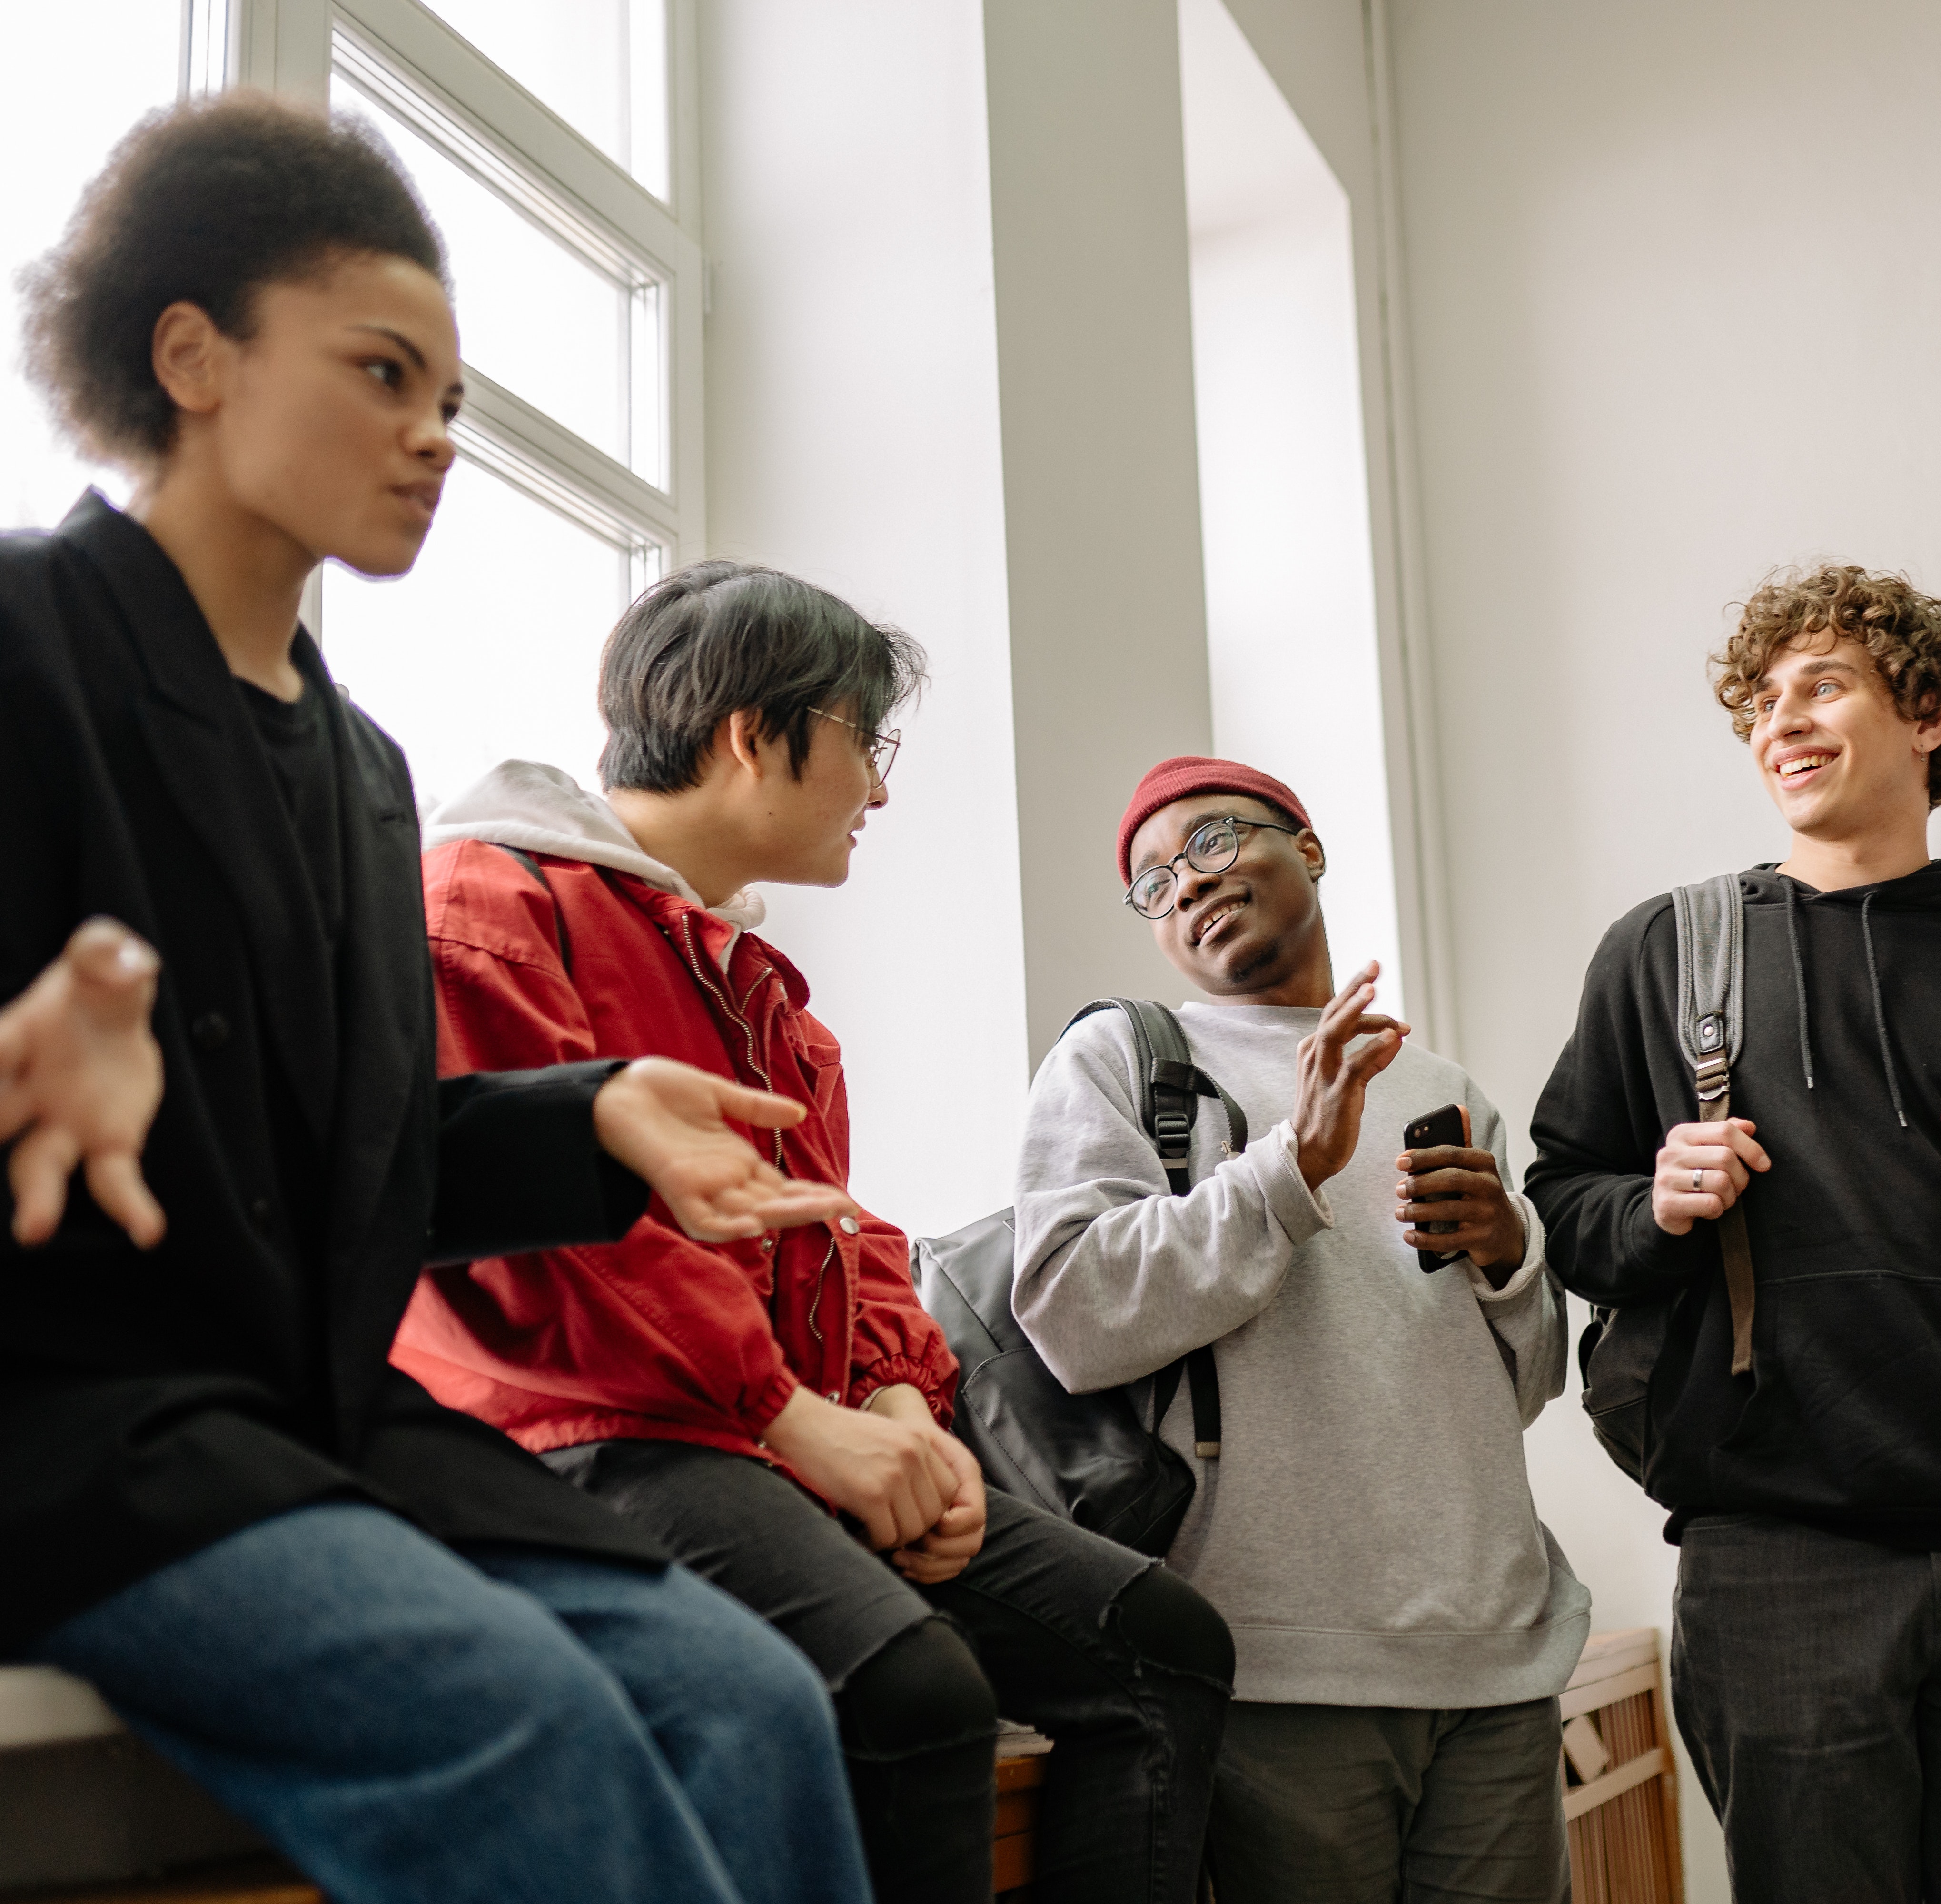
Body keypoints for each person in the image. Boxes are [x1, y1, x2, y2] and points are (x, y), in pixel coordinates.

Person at [0, 94, 877, 1904]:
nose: (433, 439)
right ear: (193, 356)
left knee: (757, 1706)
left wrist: (594, 1114)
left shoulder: (364, 770)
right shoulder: (25, 644)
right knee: (533, 1726)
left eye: (453, 403)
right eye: (385, 375)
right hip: (69, 1425)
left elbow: (366, 1164)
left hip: (315, 1431)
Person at [391, 564, 1234, 1904]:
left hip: (770, 1437)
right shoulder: (489, 906)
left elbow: (842, 1241)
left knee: (1164, 1641)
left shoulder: (771, 999)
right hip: (587, 1435)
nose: (882, 793)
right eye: (867, 741)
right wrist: (801, 1420)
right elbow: (561, 1251)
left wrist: (902, 1404)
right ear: (748, 734)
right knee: (912, 1691)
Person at [1528, 564, 1941, 1902]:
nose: (1783, 724)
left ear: (1928, 712)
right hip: (1775, 1557)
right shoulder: (1664, 953)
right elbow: (1562, 1216)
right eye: (1762, 703)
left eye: (1823, 686)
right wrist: (1654, 1202)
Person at [1011, 755, 1590, 1904]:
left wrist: (1512, 1259)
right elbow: (1072, 1313)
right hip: (1278, 1667)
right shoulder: (1122, 1060)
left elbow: (1518, 1388)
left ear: (1310, 848)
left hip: (1497, 1655)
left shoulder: (1446, 1085)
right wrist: (1292, 1168)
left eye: (1215, 841)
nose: (1186, 882)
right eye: (1155, 880)